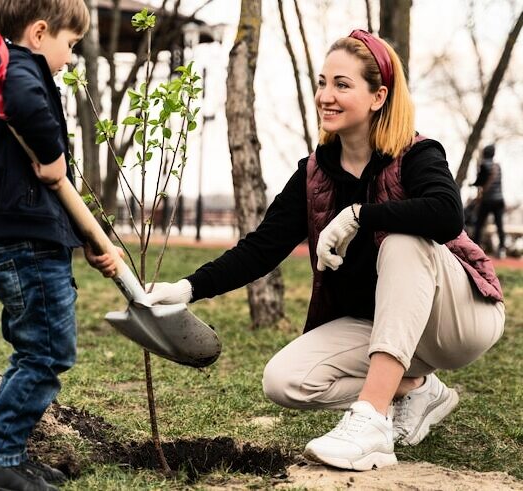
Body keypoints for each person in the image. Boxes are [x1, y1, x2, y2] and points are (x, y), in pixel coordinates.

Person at [145, 29, 505, 471]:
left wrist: (359, 215)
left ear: (378, 96)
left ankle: (371, 420)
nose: (325, 96)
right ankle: (414, 388)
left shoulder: (417, 153)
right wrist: (186, 288)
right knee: (285, 380)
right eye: (322, 82)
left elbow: (447, 215)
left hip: (460, 319)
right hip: (385, 328)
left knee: (405, 240)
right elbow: (261, 248)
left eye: (342, 84)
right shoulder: (315, 174)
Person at [0, 1, 123, 489]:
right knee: (48, 353)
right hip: (22, 244)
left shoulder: (2, 68)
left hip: (16, 239)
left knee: (34, 351)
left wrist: (85, 241)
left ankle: (6, 454)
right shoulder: (14, 68)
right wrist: (53, 155)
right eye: (70, 46)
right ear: (38, 33)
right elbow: (30, 108)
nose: (70, 59)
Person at [472, 144, 506, 258]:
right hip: (499, 200)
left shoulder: (483, 165)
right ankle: (502, 248)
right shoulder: (498, 166)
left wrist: (472, 184)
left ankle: (475, 247)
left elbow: (480, 181)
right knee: (499, 225)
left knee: (479, 224)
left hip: (487, 201)